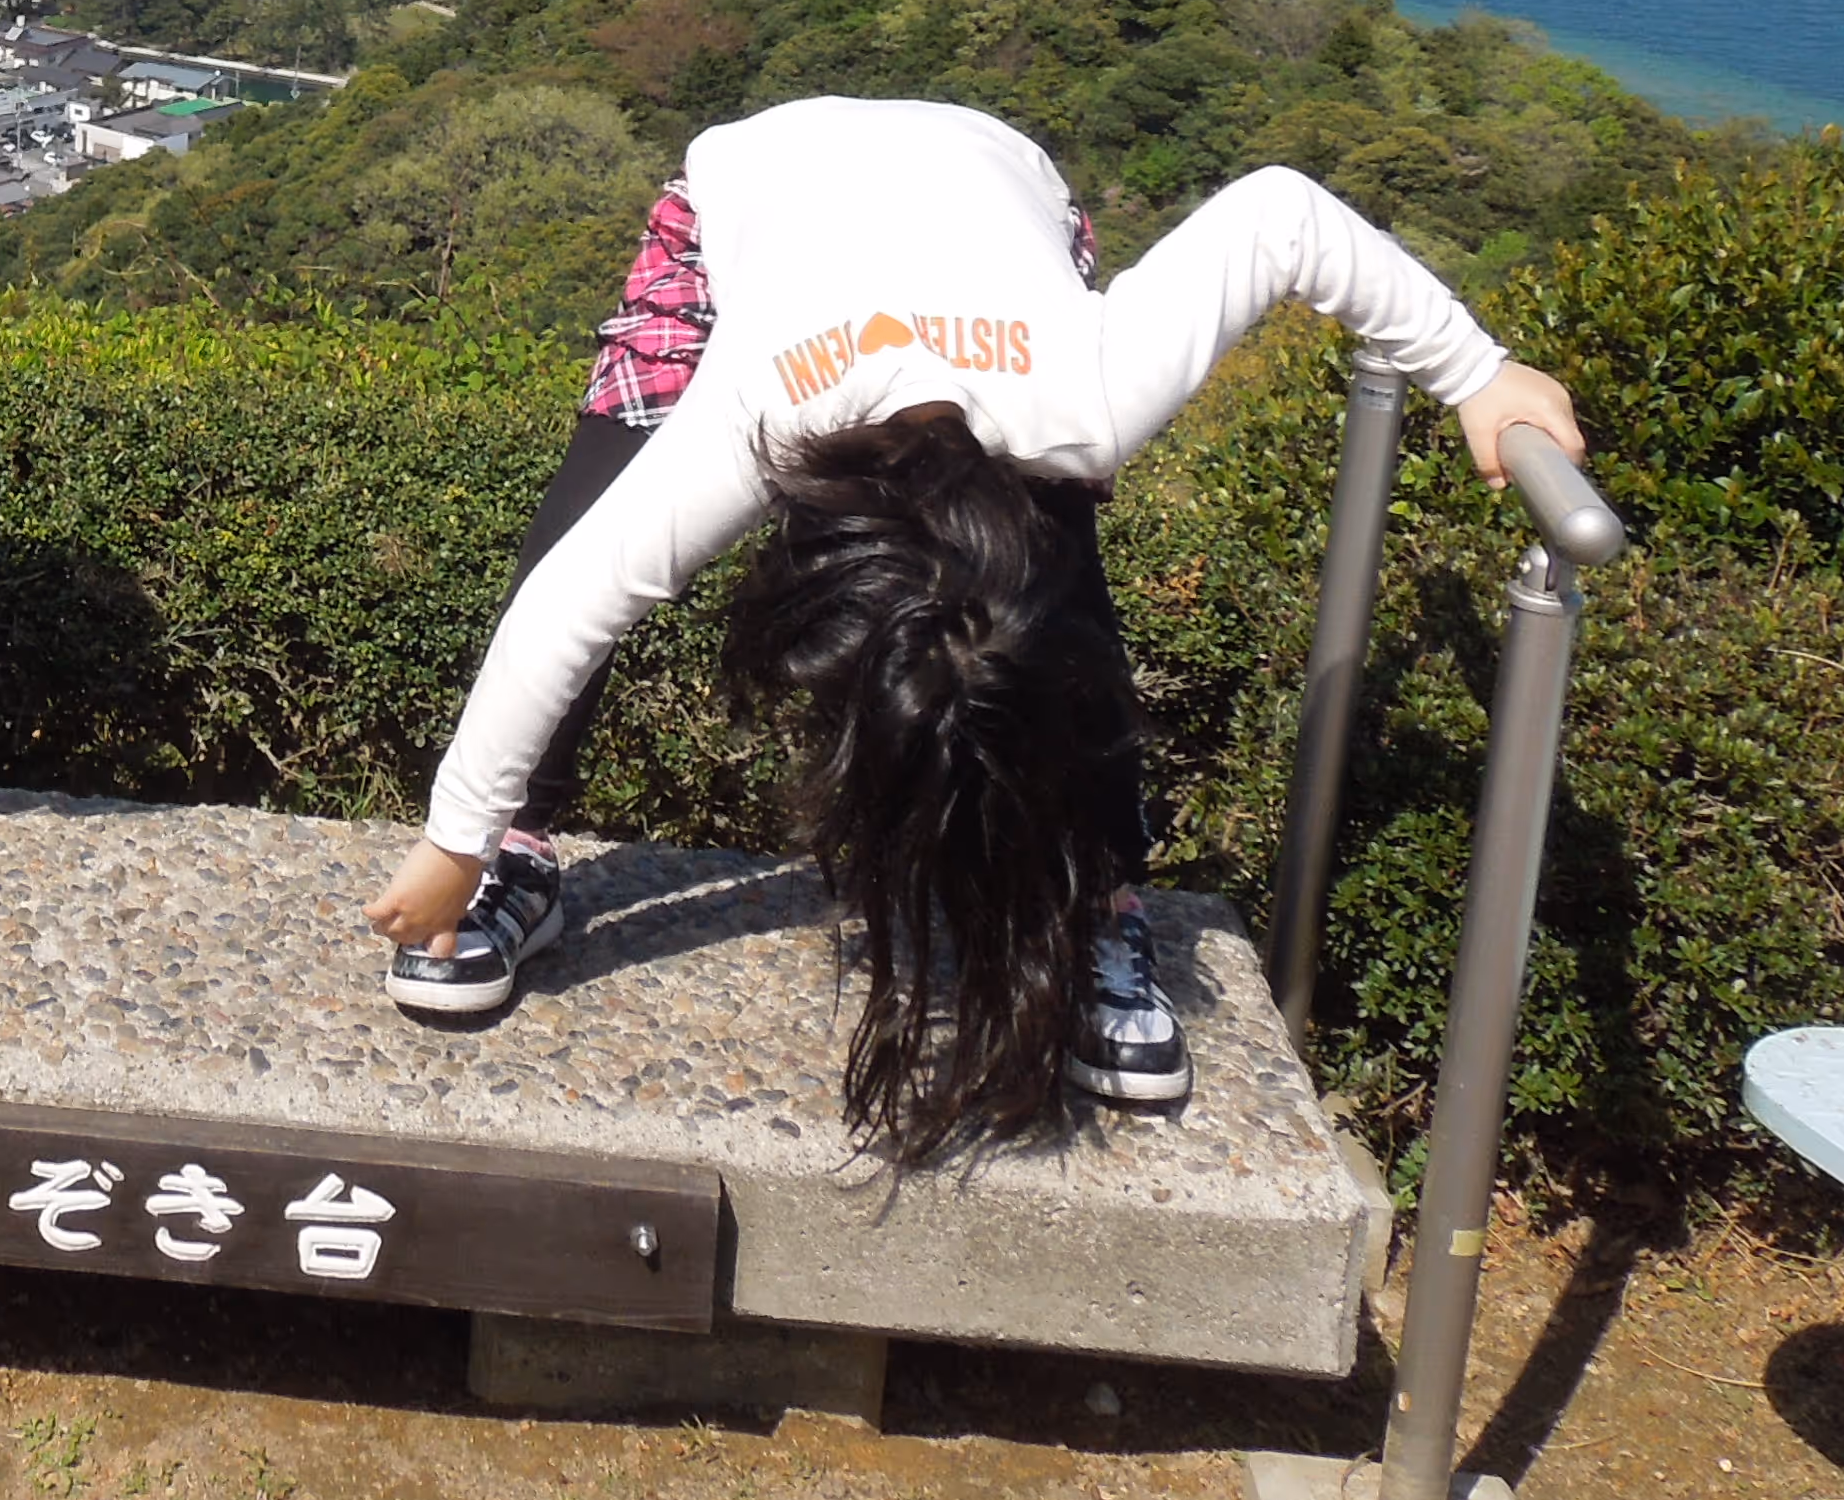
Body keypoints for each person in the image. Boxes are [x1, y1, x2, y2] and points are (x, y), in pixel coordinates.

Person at [356, 96, 1580, 1157]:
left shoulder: (1083, 397)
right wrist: (459, 837)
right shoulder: (756, 412)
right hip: (760, 188)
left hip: (1000, 192)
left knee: (1049, 606)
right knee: (588, 516)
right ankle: (520, 852)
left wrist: (1477, 373)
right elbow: (567, 603)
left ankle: (1093, 890)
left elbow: (1284, 215)